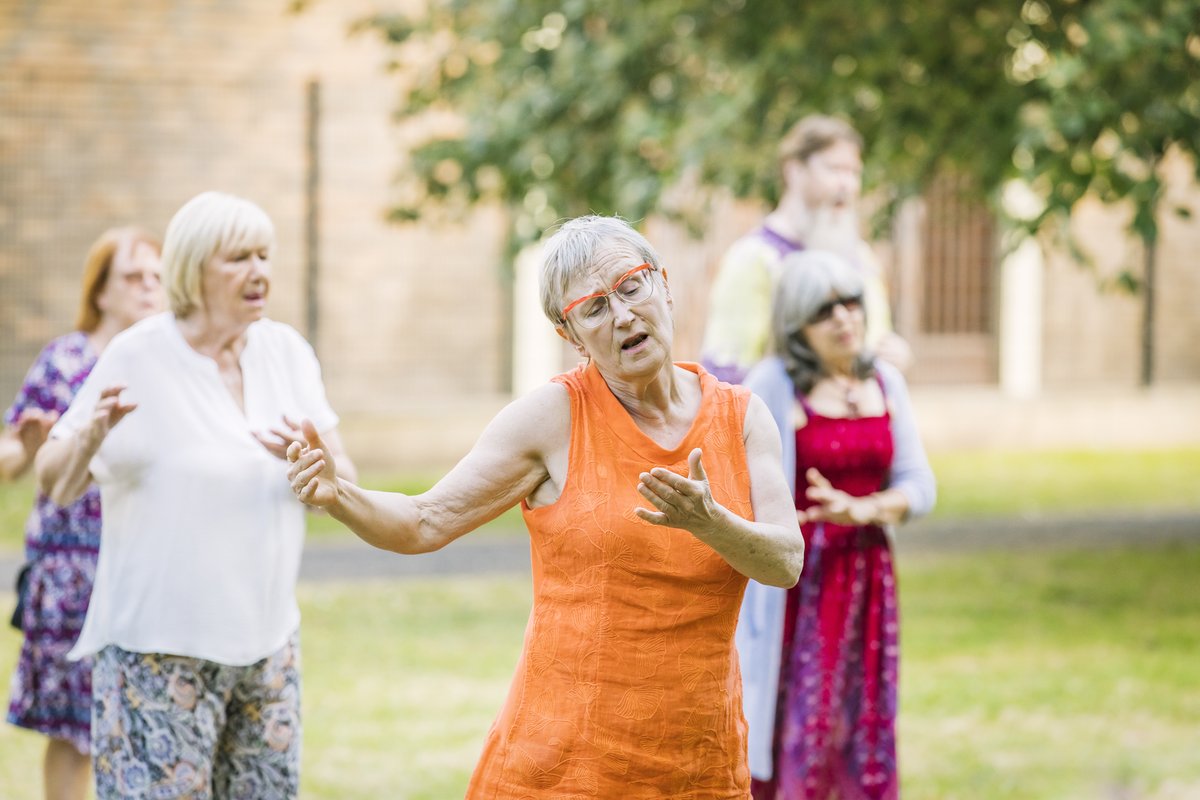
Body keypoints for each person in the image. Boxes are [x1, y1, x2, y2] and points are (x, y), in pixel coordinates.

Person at [285, 215, 805, 797]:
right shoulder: (552, 419)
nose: (623, 315)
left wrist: (710, 524)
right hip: (562, 768)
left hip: (700, 767)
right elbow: (424, 521)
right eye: (594, 308)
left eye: (631, 286)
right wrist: (341, 495)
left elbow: (785, 562)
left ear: (663, 284)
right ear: (571, 336)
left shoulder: (742, 417)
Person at [35, 191, 356, 800]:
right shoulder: (139, 354)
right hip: (156, 657)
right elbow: (55, 479)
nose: (259, 272)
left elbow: (341, 481)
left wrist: (314, 469)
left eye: (264, 255)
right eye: (239, 258)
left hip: (267, 649)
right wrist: (90, 436)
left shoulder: (286, 352)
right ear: (192, 269)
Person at [734, 250, 936, 799]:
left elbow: (921, 485)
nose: (845, 318)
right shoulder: (773, 384)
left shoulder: (886, 382)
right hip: (799, 582)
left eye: (851, 303)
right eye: (825, 311)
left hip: (868, 576)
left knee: (865, 716)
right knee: (804, 721)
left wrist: (866, 509)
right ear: (797, 325)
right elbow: (743, 484)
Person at [3, 227, 165, 800]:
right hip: (70, 571)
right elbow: (9, 459)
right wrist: (28, 448)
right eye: (133, 276)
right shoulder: (65, 361)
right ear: (100, 290)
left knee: (142, 724)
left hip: (142, 563)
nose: (148, 288)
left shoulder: (167, 362)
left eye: (157, 277)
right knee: (72, 733)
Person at [700, 114, 912, 384]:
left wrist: (897, 358)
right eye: (834, 169)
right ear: (794, 171)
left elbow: (877, 344)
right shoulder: (752, 258)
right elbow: (725, 372)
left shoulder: (862, 258)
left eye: (854, 173)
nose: (847, 184)